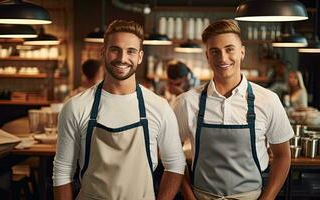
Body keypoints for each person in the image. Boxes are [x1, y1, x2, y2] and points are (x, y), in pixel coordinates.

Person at [53, 20, 185, 200]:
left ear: (139, 57)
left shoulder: (159, 107)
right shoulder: (76, 107)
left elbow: (176, 164)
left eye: (130, 51)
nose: (122, 58)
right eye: (115, 49)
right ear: (103, 52)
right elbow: (62, 170)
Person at [173, 19, 293, 200]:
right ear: (207, 56)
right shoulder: (186, 102)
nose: (223, 58)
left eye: (229, 49)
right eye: (215, 51)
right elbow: (171, 155)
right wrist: (189, 197)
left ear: (242, 52)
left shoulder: (268, 101)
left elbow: (283, 156)